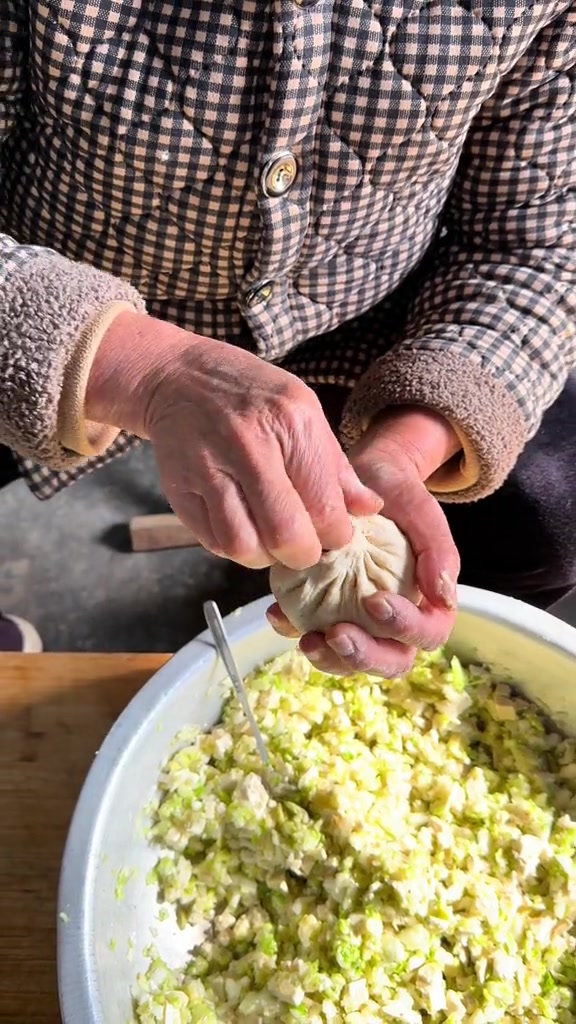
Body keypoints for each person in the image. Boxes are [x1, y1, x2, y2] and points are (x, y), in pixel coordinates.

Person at [0, 1, 574, 668]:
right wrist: (148, 371)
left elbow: (538, 239)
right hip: (60, 307)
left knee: (546, 517)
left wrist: (410, 447)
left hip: (371, 319)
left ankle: (419, 657)